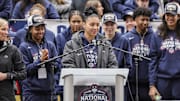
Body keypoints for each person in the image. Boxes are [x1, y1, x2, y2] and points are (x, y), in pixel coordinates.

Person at [61, 7, 118, 101]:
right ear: (84, 24)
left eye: (97, 25)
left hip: (102, 93)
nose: (95, 28)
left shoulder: (105, 44)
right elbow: (68, 66)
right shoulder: (71, 44)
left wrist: (99, 79)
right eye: (92, 24)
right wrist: (86, 78)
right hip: (79, 93)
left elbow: (113, 65)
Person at [19, 15, 59, 101]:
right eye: (37, 29)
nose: (40, 31)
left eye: (42, 28)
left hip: (50, 92)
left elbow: (57, 66)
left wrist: (49, 62)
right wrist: (40, 61)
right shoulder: (24, 47)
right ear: (30, 29)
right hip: (32, 92)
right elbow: (24, 71)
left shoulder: (50, 45)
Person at [149, 2, 180, 100]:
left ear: (178, 16)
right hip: (162, 81)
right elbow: (153, 61)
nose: (170, 18)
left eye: (173, 15)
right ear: (164, 16)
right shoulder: (157, 34)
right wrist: (152, 85)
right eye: (167, 15)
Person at [123, 7, 154, 101]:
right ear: (135, 20)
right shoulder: (126, 38)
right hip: (131, 84)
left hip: (148, 84)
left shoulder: (155, 37)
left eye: (147, 20)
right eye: (142, 19)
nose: (145, 23)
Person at [0, 18, 26, 101]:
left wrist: (6, 76)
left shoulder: (13, 50)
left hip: (7, 96)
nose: (6, 33)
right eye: (3, 29)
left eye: (7, 30)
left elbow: (23, 74)